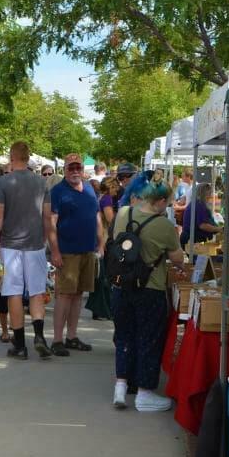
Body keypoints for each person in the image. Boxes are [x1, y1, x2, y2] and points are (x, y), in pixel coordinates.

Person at [111, 182, 185, 411]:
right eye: (168, 203)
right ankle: (144, 393)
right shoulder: (164, 225)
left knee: (123, 336)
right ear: (161, 201)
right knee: (148, 340)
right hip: (149, 288)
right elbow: (178, 259)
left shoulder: (123, 213)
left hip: (120, 285)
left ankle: (120, 388)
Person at [0, 141, 55, 360]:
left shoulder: (5, 182)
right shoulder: (41, 183)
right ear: (28, 158)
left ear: (12, 157)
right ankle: (40, 336)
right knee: (36, 291)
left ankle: (20, 344)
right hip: (35, 244)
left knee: (13, 293)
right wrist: (45, 239)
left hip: (10, 246)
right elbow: (47, 216)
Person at [49, 153, 103, 356]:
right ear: (64, 169)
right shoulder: (57, 191)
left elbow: (97, 216)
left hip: (88, 251)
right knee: (64, 295)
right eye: (71, 168)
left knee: (79, 294)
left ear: (83, 169)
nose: (74, 171)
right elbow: (51, 223)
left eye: (77, 168)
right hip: (67, 252)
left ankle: (72, 336)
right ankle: (57, 340)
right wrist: (55, 251)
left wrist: (101, 242)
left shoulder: (89, 188)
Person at [85, 175, 120, 320]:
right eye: (115, 188)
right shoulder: (106, 199)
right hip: (104, 238)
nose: (117, 191)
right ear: (111, 187)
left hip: (100, 238)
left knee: (100, 276)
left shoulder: (101, 198)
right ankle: (100, 309)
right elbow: (110, 219)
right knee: (103, 276)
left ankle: (98, 309)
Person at [180, 183, 222, 247]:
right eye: (209, 193)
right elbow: (203, 225)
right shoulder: (200, 205)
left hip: (191, 239)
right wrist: (218, 229)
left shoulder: (196, 203)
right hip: (193, 240)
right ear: (205, 193)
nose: (210, 195)